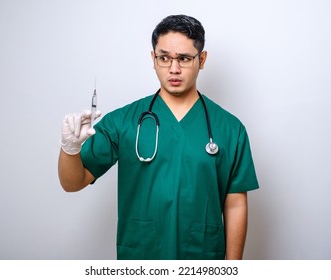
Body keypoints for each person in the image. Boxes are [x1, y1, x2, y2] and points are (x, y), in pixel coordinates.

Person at [58, 14, 259, 260]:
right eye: (164, 58)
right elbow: (72, 183)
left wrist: (232, 269)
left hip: (202, 258)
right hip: (143, 257)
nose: (173, 69)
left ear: (202, 59)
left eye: (184, 59)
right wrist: (69, 149)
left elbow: (236, 203)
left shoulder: (229, 128)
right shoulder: (123, 122)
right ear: (153, 59)